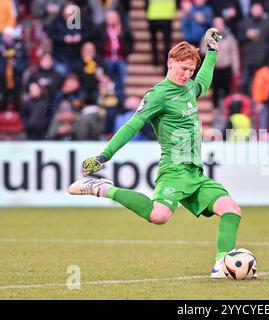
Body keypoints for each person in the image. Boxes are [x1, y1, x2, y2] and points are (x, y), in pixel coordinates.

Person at [68, 29, 251, 279]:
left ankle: (222, 265)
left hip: (195, 173)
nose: (187, 75)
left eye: (190, 71)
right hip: (174, 169)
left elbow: (205, 81)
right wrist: (104, 155)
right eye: (183, 69)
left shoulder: (189, 88)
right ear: (170, 62)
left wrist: (212, 53)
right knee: (159, 216)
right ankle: (101, 188)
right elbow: (132, 125)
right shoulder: (157, 95)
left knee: (231, 210)